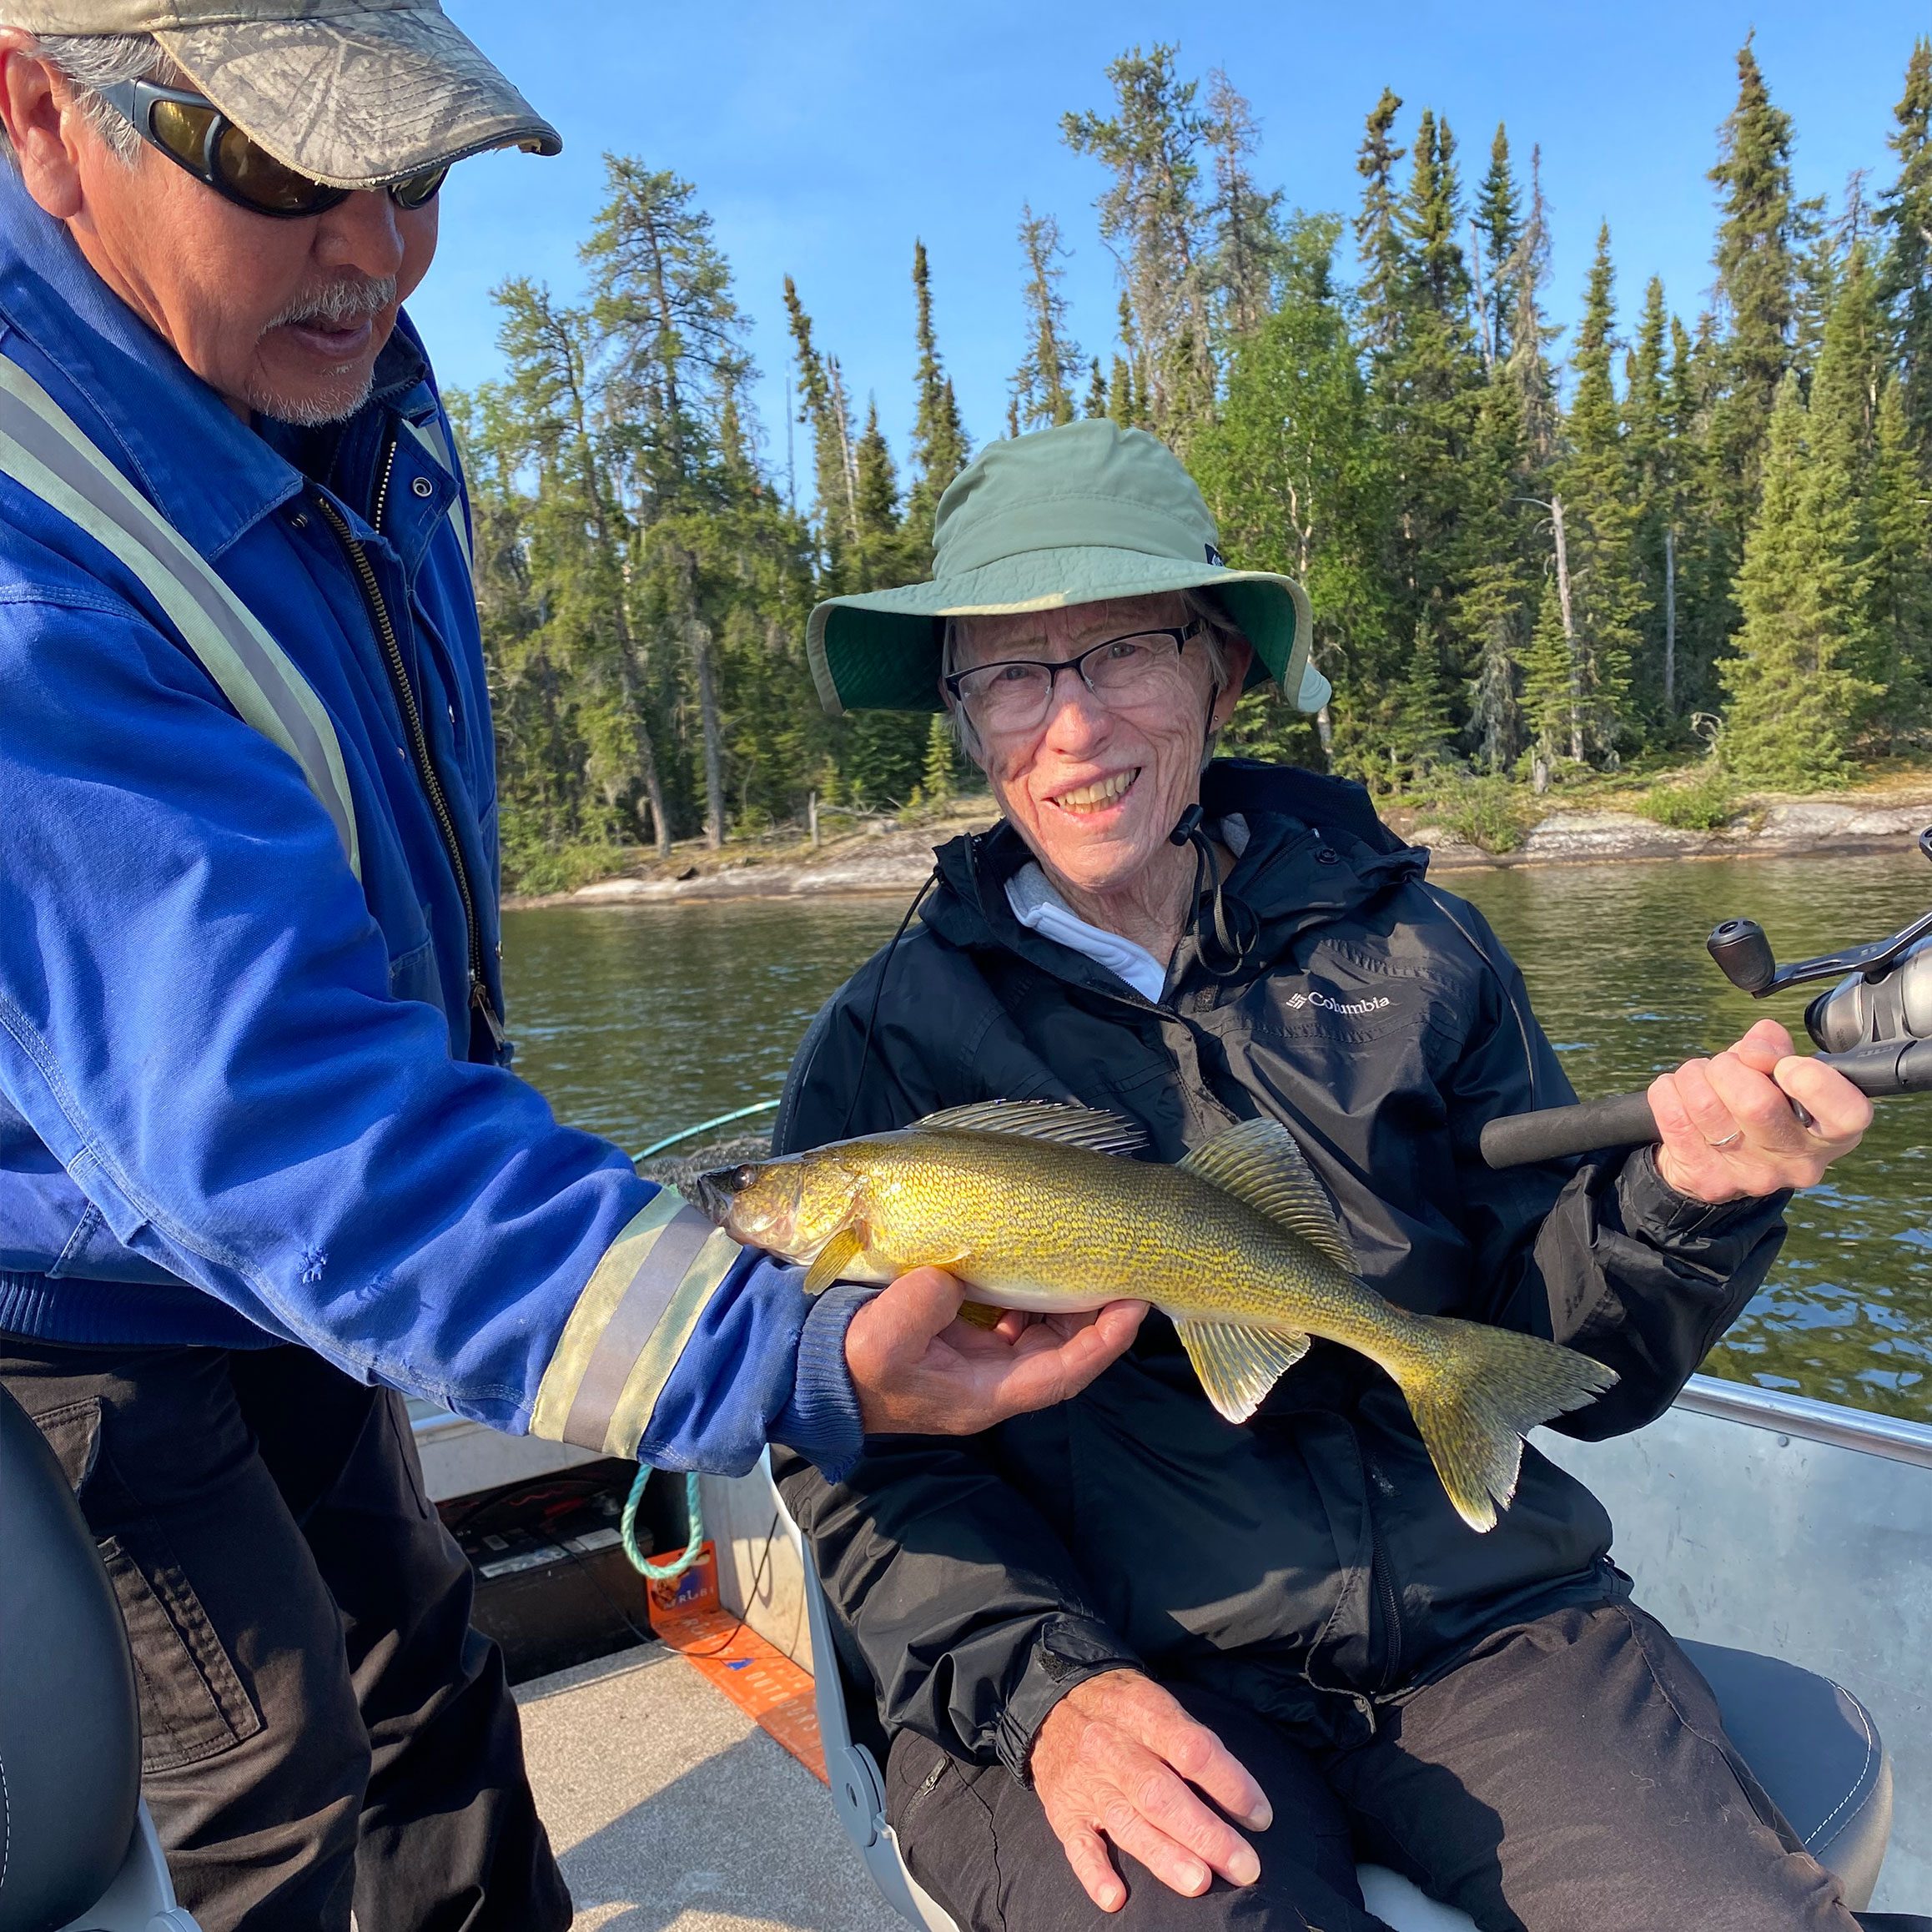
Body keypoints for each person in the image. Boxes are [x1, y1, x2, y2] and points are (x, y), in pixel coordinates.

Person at [0, 13, 1144, 1927]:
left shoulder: (312, 357)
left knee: (427, 1674)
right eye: (284, 163)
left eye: (418, 168)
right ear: (42, 114)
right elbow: (266, 1108)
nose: (371, 248)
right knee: (276, 1790)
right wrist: (771, 1346)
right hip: (84, 1300)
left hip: (305, 1274)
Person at [772, 418, 1874, 1932]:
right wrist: (1049, 1694)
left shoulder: (1421, 952)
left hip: (1487, 1627)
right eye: (1014, 672)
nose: (1072, 727)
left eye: (1125, 652)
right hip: (1107, 1658)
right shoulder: (885, 1048)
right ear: (964, 715)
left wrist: (1688, 1203)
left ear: (1222, 673)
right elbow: (854, 1451)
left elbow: (1575, 1365)